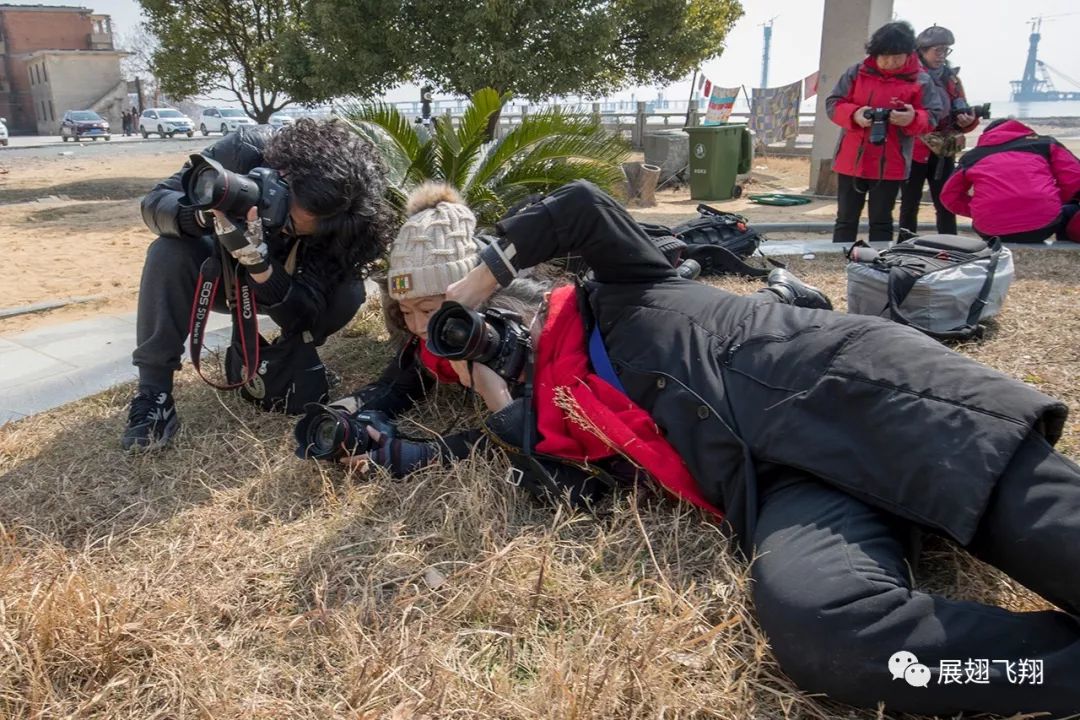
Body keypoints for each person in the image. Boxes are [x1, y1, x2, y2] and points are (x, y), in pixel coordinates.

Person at [419, 180, 1077, 716]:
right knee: (824, 632)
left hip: (855, 395)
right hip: (785, 488)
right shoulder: (560, 419)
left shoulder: (623, 285)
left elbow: (579, 205)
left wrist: (472, 285)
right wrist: (496, 396)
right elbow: (576, 500)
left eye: (492, 327)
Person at [123, 118, 394, 451]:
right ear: (283, 171)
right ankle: (154, 394)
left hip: (283, 283)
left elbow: (305, 311)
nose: (278, 223)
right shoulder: (246, 149)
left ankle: (293, 353)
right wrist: (199, 217)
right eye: (281, 205)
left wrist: (261, 264)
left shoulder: (348, 226)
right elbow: (155, 203)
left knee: (347, 293)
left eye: (293, 226)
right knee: (169, 250)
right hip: (221, 272)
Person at [827, 21, 942, 244]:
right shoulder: (856, 72)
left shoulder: (921, 80)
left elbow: (933, 115)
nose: (889, 62)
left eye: (896, 57)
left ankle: (879, 263)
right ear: (874, 53)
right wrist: (855, 114)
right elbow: (833, 103)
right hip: (852, 160)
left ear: (908, 54)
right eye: (884, 56)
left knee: (881, 220)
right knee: (845, 219)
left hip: (891, 163)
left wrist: (912, 118)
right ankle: (841, 261)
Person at [897, 25, 980, 238]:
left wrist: (968, 121)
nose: (942, 56)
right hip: (914, 149)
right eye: (938, 50)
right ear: (922, 50)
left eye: (946, 50)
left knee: (945, 200)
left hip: (943, 150)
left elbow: (960, 112)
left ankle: (950, 243)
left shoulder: (952, 79)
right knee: (909, 203)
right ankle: (906, 244)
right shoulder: (908, 77)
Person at [941, 118, 1080, 243]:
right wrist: (1055, 200)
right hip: (1043, 225)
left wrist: (979, 210)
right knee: (1069, 213)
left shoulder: (972, 157)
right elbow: (1075, 178)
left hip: (991, 229)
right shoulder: (1044, 143)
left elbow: (949, 196)